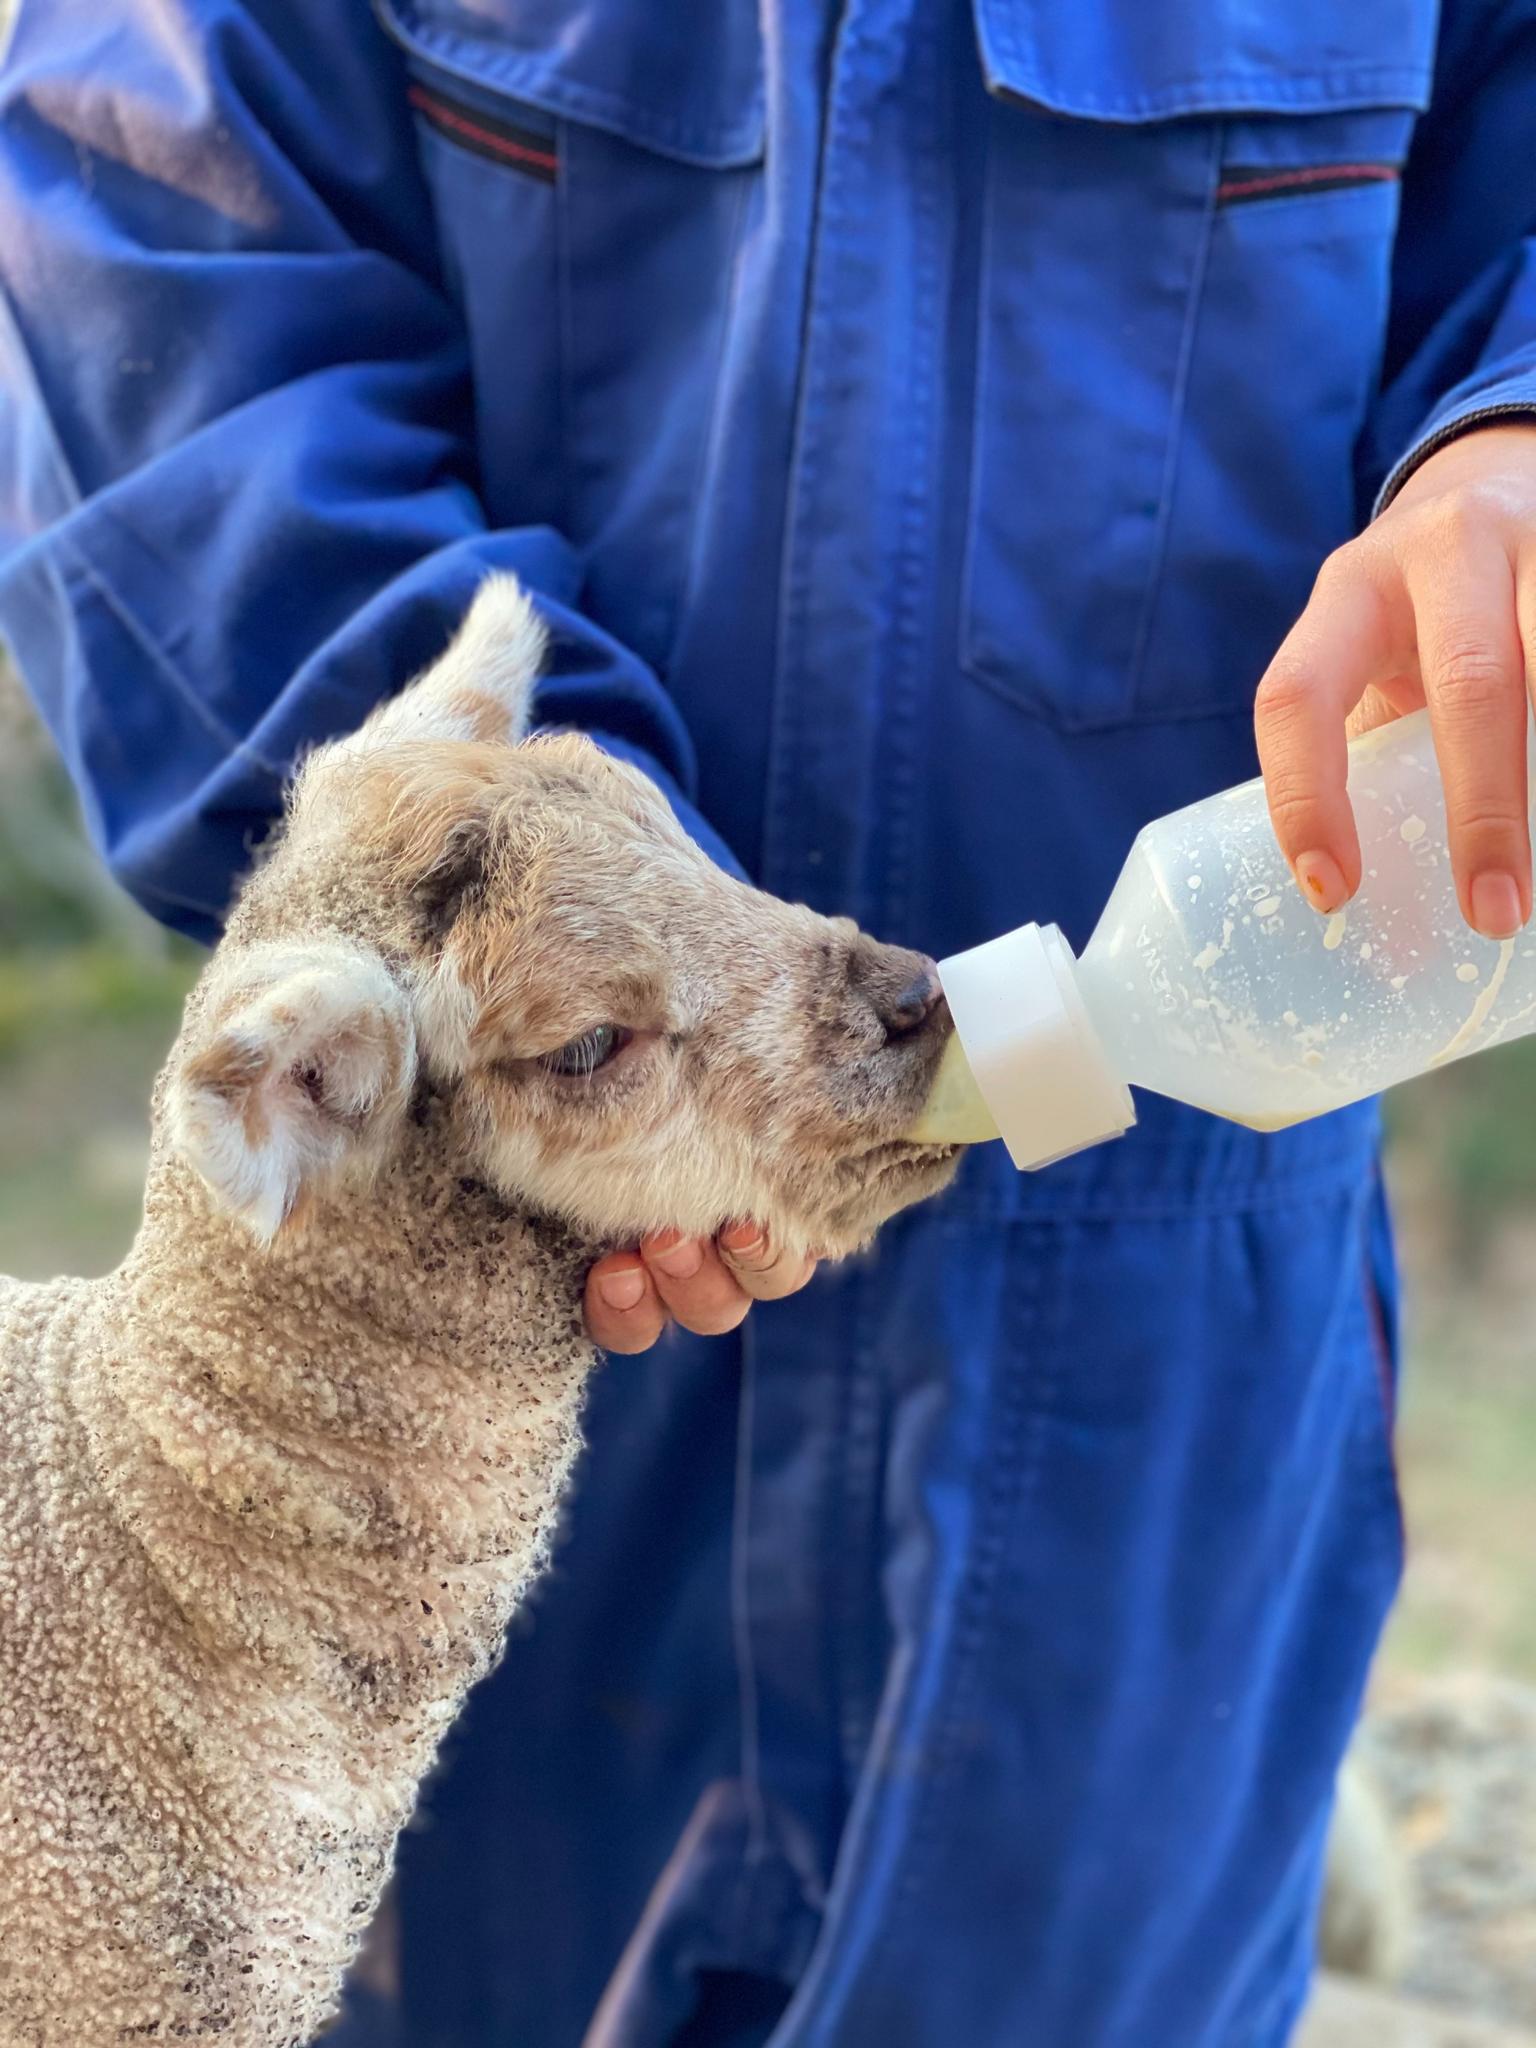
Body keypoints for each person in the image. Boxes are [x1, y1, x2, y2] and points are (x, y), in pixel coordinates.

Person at [0, 2, 1534, 2042]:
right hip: (495, 1344)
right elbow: (147, 236)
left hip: (1152, 1330)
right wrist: (563, 923)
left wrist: (1510, 419)